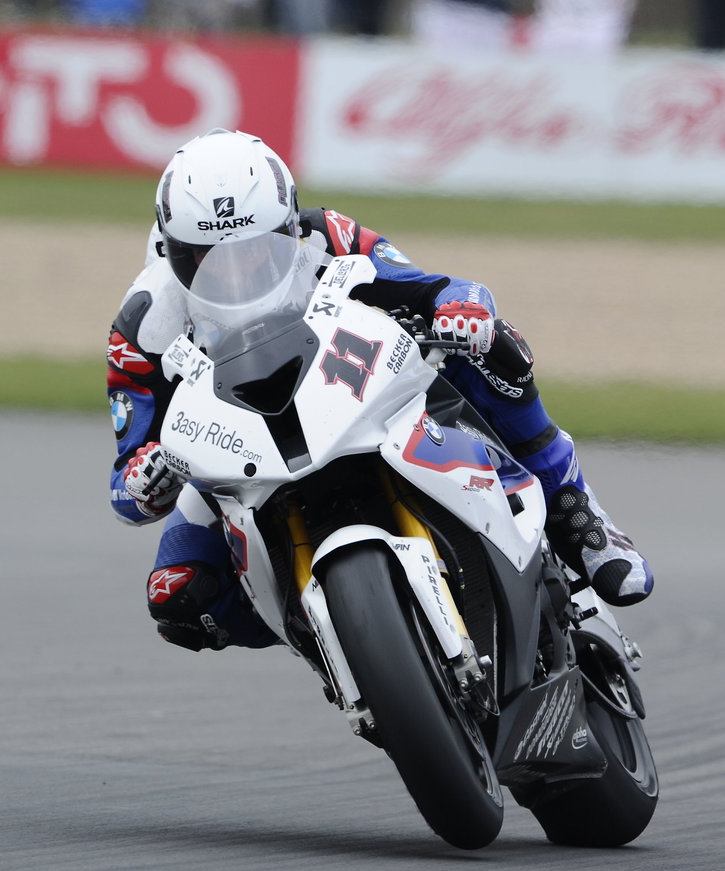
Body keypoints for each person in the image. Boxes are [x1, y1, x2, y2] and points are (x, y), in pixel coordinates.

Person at [106, 129, 653, 653]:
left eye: (256, 248)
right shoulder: (144, 324)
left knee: (492, 344)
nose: (238, 269)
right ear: (172, 248)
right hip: (237, 458)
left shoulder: (326, 236)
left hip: (350, 389)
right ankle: (331, 637)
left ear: (289, 227)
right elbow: (125, 483)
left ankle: (574, 509)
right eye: (207, 257)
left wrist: (460, 309)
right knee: (177, 595)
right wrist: (149, 474)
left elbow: (432, 289)